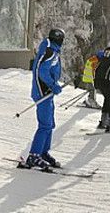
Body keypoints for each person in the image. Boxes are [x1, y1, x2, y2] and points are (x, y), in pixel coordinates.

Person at [23, 28, 65, 170]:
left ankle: (42, 152)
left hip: (46, 92)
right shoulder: (50, 52)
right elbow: (41, 71)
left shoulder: (50, 50)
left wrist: (53, 85)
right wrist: (53, 85)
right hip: (43, 92)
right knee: (45, 125)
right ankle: (34, 155)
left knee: (50, 124)